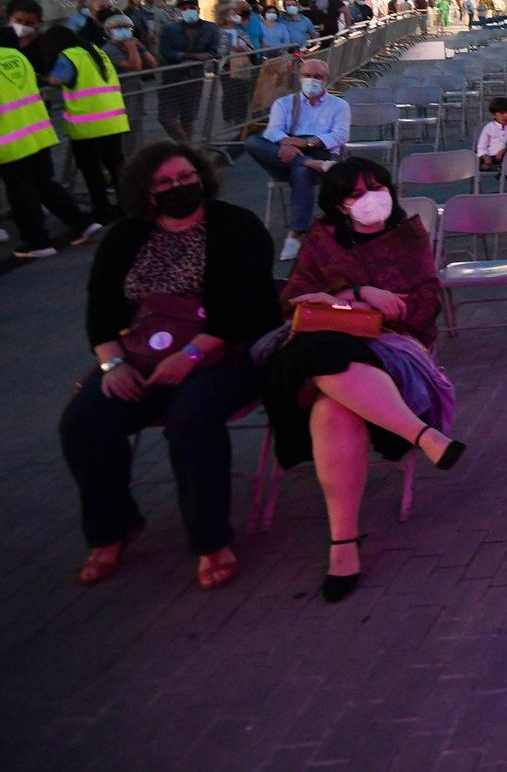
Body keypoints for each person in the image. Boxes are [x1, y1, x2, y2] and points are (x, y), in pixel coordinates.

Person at [61, 143, 279, 589]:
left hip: (225, 353)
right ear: (145, 191)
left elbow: (251, 304)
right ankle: (113, 528)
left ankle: (211, 541)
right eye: (163, 182)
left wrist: (193, 354)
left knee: (191, 419)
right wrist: (113, 367)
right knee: (84, 421)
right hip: (142, 358)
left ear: (201, 176)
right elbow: (100, 314)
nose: (178, 187)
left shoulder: (236, 226)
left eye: (185, 177)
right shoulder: (124, 238)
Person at [268, 158, 462, 602]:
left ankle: (343, 543)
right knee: (326, 363)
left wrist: (353, 307)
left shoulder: (408, 236)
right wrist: (358, 295)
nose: (370, 198)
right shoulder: (320, 241)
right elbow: (294, 305)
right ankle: (422, 435)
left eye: (377, 187)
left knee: (332, 396)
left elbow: (421, 310)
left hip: (392, 353)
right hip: (320, 353)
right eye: (356, 194)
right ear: (338, 204)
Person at [246, 57, 350, 263]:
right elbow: (273, 130)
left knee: (301, 173)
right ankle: (308, 164)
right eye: (308, 76)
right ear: (299, 77)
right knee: (252, 142)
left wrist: (306, 144)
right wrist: (286, 142)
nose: (312, 80)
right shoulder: (284, 103)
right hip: (285, 153)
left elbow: (339, 136)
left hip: (320, 151)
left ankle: (295, 234)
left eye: (318, 77)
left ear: (326, 79)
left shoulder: (339, 105)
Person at [46, 17, 131, 225]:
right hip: (113, 119)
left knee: (92, 172)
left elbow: (57, 79)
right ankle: (126, 205)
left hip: (88, 125)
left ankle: (102, 209)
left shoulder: (69, 56)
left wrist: (44, 78)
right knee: (116, 166)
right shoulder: (95, 51)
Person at [156, 0, 221, 145]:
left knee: (188, 117)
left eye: (191, 8)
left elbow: (215, 50)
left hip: (194, 78)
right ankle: (188, 148)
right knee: (166, 117)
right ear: (179, 11)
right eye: (184, 9)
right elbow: (165, 52)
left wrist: (208, 56)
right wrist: (191, 56)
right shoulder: (169, 29)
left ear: (198, 9)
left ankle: (187, 150)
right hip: (171, 78)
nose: (188, 11)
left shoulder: (210, 28)